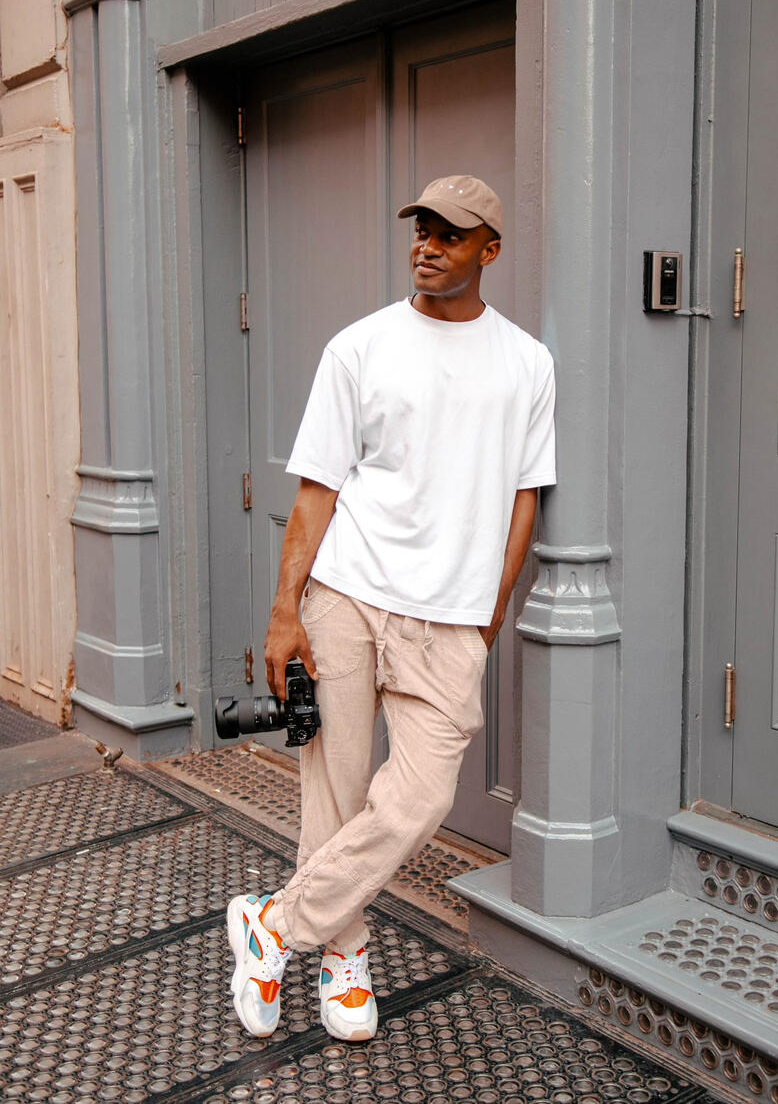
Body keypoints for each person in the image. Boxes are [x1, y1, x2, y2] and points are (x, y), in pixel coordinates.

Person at [226, 175, 557, 1042]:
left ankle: (274, 924)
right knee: (334, 793)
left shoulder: (526, 362)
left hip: (449, 620)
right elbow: (316, 489)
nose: (427, 245)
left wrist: (487, 616)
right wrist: (284, 613)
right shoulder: (359, 347)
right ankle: (344, 955)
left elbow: (524, 497)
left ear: (489, 249)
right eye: (421, 229)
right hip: (346, 595)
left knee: (418, 798)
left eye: (451, 234)